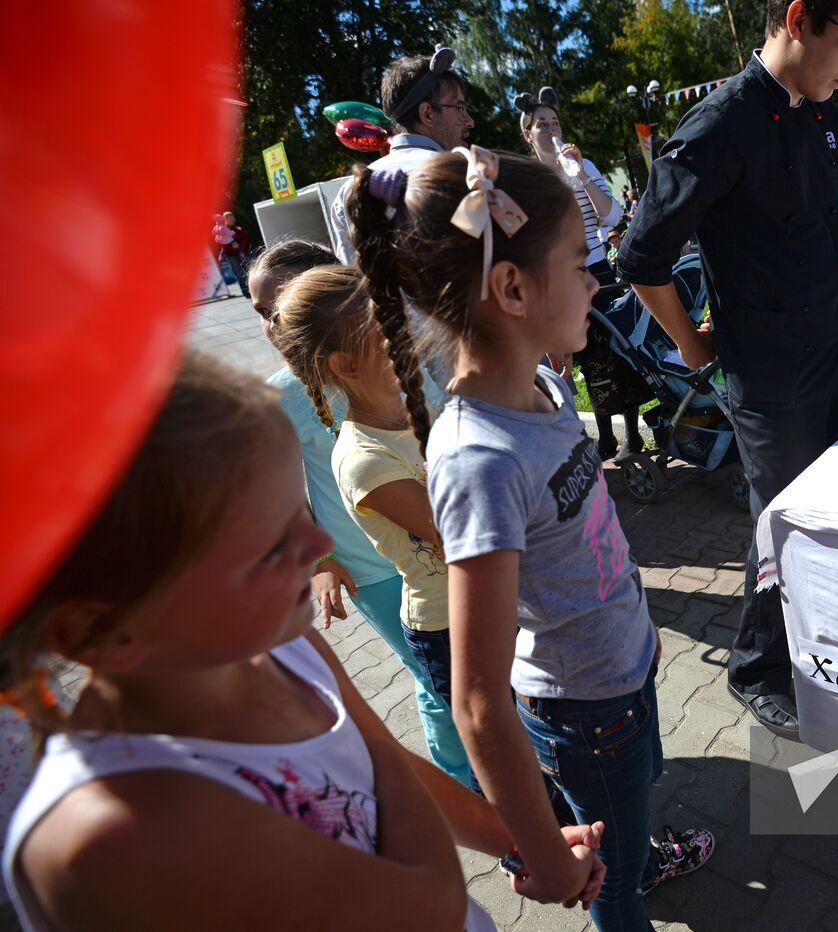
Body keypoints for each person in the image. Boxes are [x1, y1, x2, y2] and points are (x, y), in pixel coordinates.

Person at [0, 352, 607, 931]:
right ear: (96, 631)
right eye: (266, 548)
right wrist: (384, 760)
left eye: (299, 512)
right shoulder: (114, 833)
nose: (317, 549)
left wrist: (527, 842)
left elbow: (387, 774)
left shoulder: (284, 651)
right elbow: (430, 901)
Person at [345, 147, 714, 930]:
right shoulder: (478, 458)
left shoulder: (544, 387)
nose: (595, 280)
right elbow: (479, 702)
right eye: (580, 262)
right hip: (586, 709)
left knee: (630, 808)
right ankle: (628, 888)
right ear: (512, 287)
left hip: (624, 666)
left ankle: (642, 853)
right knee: (606, 873)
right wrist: (544, 854)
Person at [615, 0, 838, 739]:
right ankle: (756, 667)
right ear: (799, 19)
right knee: (782, 527)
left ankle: (826, 644)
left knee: (837, 509)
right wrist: (691, 343)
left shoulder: (828, 118)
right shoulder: (717, 125)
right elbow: (641, 259)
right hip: (767, 377)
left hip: (833, 354)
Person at [246, 242, 474, 791]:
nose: (274, 324)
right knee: (437, 680)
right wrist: (320, 560)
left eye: (281, 304)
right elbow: (272, 492)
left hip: (443, 547)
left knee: (477, 666)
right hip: (369, 567)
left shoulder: (390, 359)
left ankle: (513, 766)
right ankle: (467, 785)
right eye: (261, 313)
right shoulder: (276, 399)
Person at [517, 86, 648, 462]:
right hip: (558, 277)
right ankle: (605, 436)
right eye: (541, 124)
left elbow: (611, 217)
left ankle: (632, 435)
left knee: (617, 346)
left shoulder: (582, 166)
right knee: (586, 355)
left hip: (595, 266)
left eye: (555, 122)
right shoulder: (527, 180)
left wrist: (582, 176)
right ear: (528, 135)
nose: (551, 129)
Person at [329, 46, 476, 264]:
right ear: (427, 114)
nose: (469, 121)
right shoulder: (461, 172)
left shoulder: (348, 190)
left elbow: (353, 283)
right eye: (460, 108)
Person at [212, 211, 251, 298]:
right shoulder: (221, 230)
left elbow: (245, 240)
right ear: (225, 219)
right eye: (229, 217)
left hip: (242, 253)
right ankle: (246, 292)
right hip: (231, 256)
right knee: (239, 274)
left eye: (232, 217)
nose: (232, 219)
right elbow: (220, 243)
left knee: (249, 271)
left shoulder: (238, 229)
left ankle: (253, 289)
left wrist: (239, 244)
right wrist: (222, 254)